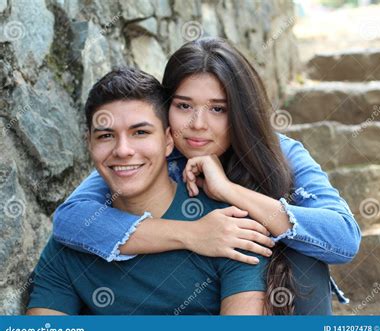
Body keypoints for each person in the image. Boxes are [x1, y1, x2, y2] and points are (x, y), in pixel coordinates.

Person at [51, 37, 361, 314]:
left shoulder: (281, 153)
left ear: (241, 111)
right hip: (203, 299)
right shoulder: (150, 153)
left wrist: (228, 190)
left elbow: (343, 238)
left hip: (277, 298)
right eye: (184, 105)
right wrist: (193, 234)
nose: (198, 124)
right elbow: (70, 220)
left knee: (304, 256)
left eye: (218, 109)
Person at [26, 67, 268, 315]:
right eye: (106, 135)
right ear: (89, 143)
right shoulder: (74, 240)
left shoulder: (231, 230)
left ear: (168, 141)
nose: (122, 150)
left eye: (140, 132)